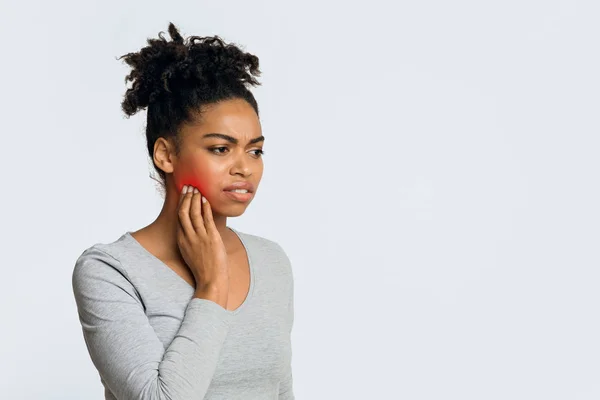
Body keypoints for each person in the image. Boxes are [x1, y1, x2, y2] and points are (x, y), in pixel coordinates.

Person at [71, 22, 294, 400]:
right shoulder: (110, 270)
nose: (245, 167)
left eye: (255, 150)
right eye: (221, 149)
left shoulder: (271, 261)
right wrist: (211, 285)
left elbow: (281, 392)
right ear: (166, 154)